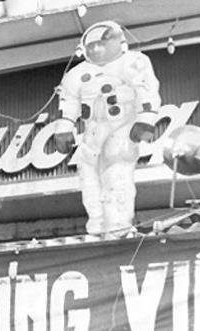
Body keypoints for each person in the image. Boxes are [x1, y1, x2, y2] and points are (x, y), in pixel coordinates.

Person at [53, 20, 160, 237]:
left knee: (117, 176)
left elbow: (147, 92)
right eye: (90, 46)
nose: (95, 49)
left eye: (100, 44)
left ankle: (118, 228)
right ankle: (97, 228)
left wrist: (145, 120)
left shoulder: (134, 62)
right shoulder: (76, 74)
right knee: (89, 178)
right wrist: (64, 128)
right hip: (92, 131)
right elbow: (69, 104)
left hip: (122, 127)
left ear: (117, 41)